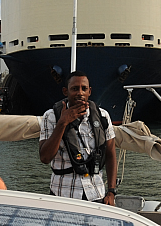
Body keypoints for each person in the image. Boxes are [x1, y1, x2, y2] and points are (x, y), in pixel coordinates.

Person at [39, 71, 117, 205]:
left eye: (84, 88)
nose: (80, 93)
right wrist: (63, 122)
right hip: (63, 195)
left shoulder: (102, 116)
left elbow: (110, 154)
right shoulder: (51, 117)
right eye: (75, 89)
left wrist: (111, 192)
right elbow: (45, 157)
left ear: (89, 91)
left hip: (96, 194)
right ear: (65, 91)